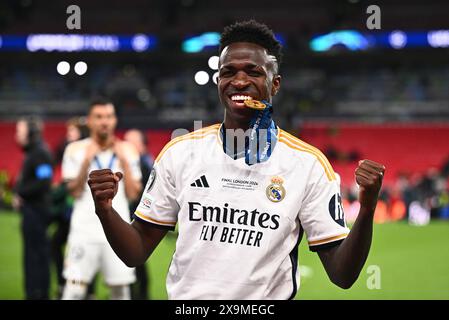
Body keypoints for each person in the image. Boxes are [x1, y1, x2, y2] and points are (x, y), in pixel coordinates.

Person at [87, 20, 386, 299]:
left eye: (253, 72)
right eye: (228, 72)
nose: (239, 81)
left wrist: (368, 207)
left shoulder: (308, 165)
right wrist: (105, 210)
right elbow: (136, 251)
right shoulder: (180, 153)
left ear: (275, 83)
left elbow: (342, 274)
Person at [61, 98, 142, 300]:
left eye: (108, 116)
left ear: (115, 120)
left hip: (117, 230)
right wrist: (86, 161)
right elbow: (73, 192)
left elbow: (133, 194)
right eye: (98, 117)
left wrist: (122, 160)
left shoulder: (128, 150)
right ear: (89, 121)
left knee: (121, 292)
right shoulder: (75, 149)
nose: (104, 122)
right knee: (73, 290)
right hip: (83, 231)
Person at [13, 116, 54, 300]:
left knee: (37, 257)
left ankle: (38, 294)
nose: (16, 135)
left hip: (36, 213)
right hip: (32, 212)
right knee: (33, 256)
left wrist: (21, 193)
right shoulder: (34, 152)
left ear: (30, 132)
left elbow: (44, 181)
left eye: (19, 131)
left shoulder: (39, 153)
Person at [50, 117, 89, 298]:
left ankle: (74, 288)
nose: (68, 135)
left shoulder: (85, 152)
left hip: (81, 212)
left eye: (72, 131)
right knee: (62, 247)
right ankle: (74, 287)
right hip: (70, 212)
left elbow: (73, 185)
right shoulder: (71, 151)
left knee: (79, 252)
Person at [124, 129, 154, 300]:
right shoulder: (142, 161)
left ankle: (140, 294)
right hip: (135, 215)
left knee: (136, 257)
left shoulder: (145, 163)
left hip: (140, 217)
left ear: (140, 143)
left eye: (130, 141)